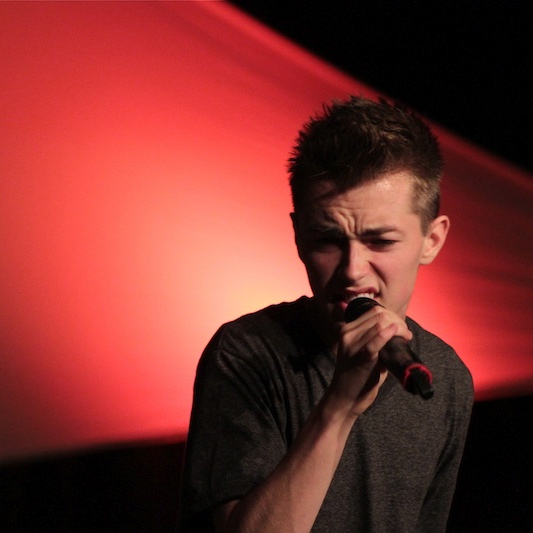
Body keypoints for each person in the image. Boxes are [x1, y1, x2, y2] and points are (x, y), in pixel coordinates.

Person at [179, 95, 473, 532]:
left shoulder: (445, 377)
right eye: (327, 240)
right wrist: (337, 408)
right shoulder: (246, 354)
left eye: (381, 241)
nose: (353, 270)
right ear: (298, 236)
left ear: (431, 240)